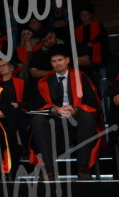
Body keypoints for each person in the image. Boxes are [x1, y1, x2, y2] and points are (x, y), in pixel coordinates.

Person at [30, 45, 103, 180]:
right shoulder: (44, 82)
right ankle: (48, 168)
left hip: (76, 114)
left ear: (67, 60)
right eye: (54, 61)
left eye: (60, 60)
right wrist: (55, 109)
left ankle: (83, 166)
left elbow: (91, 101)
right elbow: (38, 104)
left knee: (87, 118)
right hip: (55, 117)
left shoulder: (80, 77)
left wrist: (75, 109)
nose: (57, 63)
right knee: (38, 121)